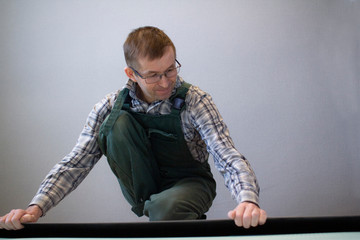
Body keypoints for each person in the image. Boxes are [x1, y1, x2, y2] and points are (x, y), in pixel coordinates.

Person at [0, 26, 267, 230]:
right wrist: (36, 207)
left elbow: (225, 153)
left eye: (170, 69)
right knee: (116, 123)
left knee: (167, 207)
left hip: (191, 184)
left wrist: (247, 200)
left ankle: (165, 211)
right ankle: (157, 208)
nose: (165, 82)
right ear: (131, 74)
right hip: (143, 189)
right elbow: (76, 162)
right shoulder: (108, 105)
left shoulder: (195, 101)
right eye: (152, 75)